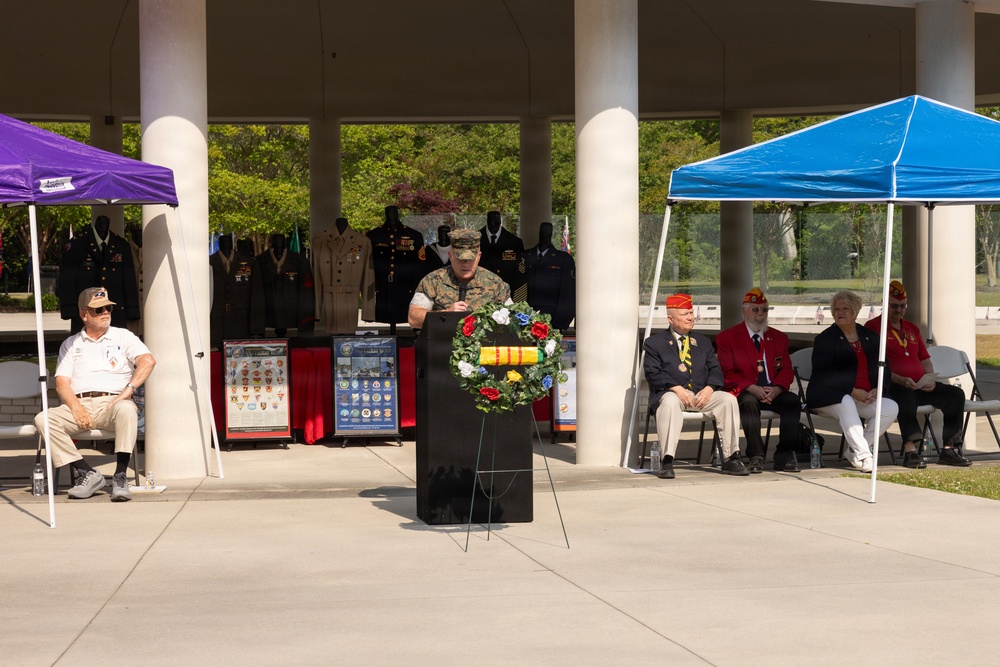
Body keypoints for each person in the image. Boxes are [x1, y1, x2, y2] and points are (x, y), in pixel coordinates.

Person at [34, 287, 156, 501]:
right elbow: (62, 383)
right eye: (99, 310)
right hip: (78, 404)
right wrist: (75, 407)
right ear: (84, 314)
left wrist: (128, 391)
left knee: (127, 409)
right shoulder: (71, 344)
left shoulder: (123, 336)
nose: (106, 312)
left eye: (108, 307)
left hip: (112, 404)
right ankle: (86, 472)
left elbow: (148, 361)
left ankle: (120, 476)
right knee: (43, 419)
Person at [865, 280, 971, 467]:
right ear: (884, 304)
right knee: (905, 397)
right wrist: (901, 379)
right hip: (893, 385)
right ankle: (910, 451)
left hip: (919, 385)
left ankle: (949, 449)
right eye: (894, 306)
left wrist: (930, 379)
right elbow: (874, 364)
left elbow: (925, 359)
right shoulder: (873, 327)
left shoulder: (912, 328)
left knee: (955, 395)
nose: (898, 310)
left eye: (902, 306)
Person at [643, 293, 748, 479]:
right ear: (670, 318)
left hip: (700, 395)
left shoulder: (703, 341)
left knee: (728, 400)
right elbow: (653, 373)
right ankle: (666, 460)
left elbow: (716, 371)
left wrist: (710, 388)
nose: (691, 317)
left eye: (691, 312)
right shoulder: (654, 343)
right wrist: (676, 388)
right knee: (669, 402)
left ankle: (731, 457)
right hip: (672, 394)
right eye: (685, 314)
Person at [807, 290, 898, 473]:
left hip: (865, 396)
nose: (840, 312)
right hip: (829, 396)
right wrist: (851, 389)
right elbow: (825, 374)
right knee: (846, 401)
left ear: (855, 312)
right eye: (836, 309)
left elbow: (885, 367)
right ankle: (865, 456)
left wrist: (878, 388)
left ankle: (853, 451)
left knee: (890, 407)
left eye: (845, 308)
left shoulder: (870, 337)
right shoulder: (825, 339)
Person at [716, 288, 802, 473]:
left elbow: (786, 369)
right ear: (744, 311)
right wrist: (751, 387)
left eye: (764, 309)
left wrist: (778, 388)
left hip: (773, 390)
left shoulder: (779, 337)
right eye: (755, 310)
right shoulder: (727, 338)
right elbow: (726, 372)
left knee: (793, 402)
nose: (760, 314)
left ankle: (784, 456)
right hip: (746, 390)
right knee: (748, 402)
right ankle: (756, 456)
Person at [407, 228, 511, 329]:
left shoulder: (496, 284)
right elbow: (413, 318)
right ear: (450, 256)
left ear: (479, 256)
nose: (465, 264)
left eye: (470, 259)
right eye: (460, 258)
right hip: (443, 343)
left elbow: (514, 316)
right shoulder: (433, 280)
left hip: (483, 344)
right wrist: (446, 314)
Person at [524, 222, 576, 330]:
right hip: (525, 316)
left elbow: (568, 294)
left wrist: (559, 322)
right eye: (543, 231)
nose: (545, 234)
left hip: (552, 319)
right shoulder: (525, 256)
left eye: (548, 231)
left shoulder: (563, 260)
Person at [478, 211, 526, 302]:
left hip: (505, 295)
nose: (493, 227)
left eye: (495, 224)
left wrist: (518, 301)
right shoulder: (476, 240)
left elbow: (519, 275)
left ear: (500, 222)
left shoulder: (514, 242)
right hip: (479, 294)